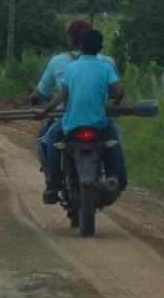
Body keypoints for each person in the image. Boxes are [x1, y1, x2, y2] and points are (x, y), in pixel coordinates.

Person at [36, 27, 128, 205]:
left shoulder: (71, 68)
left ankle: (54, 183)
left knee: (53, 138)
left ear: (80, 45)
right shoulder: (106, 66)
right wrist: (117, 102)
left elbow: (61, 96)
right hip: (99, 123)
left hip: (72, 122)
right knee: (114, 140)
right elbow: (119, 90)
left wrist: (44, 112)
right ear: (100, 47)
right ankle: (118, 179)